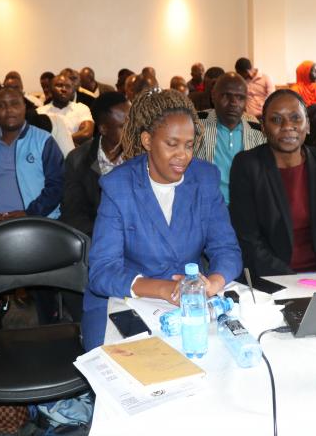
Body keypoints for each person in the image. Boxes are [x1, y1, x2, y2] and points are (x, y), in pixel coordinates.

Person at [82, 89, 243, 350]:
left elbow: (226, 249)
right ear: (147, 140)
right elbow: (102, 272)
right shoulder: (118, 186)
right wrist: (162, 289)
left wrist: (212, 283)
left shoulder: (205, 178)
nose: (183, 155)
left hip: (189, 299)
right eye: (172, 144)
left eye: (188, 145)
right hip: (126, 296)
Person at [230, 90, 316, 277]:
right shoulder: (246, 165)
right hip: (270, 276)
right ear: (263, 127)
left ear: (308, 125)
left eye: (295, 118)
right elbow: (249, 242)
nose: (287, 126)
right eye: (276, 120)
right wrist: (294, 283)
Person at [0, 86, 64, 223]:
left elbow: (57, 186)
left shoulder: (44, 141)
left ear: (24, 107)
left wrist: (29, 214)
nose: (9, 110)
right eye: (1, 106)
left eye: (14, 104)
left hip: (38, 223)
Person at [61, 91, 130, 237]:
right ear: (103, 129)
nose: (132, 131)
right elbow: (74, 214)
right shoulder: (77, 160)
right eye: (124, 126)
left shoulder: (144, 155)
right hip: (96, 237)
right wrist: (104, 238)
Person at [194, 72, 264, 204]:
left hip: (245, 207)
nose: (233, 103)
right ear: (213, 96)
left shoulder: (258, 132)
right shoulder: (196, 125)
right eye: (226, 95)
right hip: (205, 206)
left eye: (240, 97)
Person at [37, 73, 95, 146]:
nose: (64, 89)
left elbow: (86, 133)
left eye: (68, 86)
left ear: (73, 90)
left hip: (76, 152)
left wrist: (56, 143)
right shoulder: (40, 112)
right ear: (50, 89)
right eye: (59, 85)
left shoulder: (81, 108)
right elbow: (38, 138)